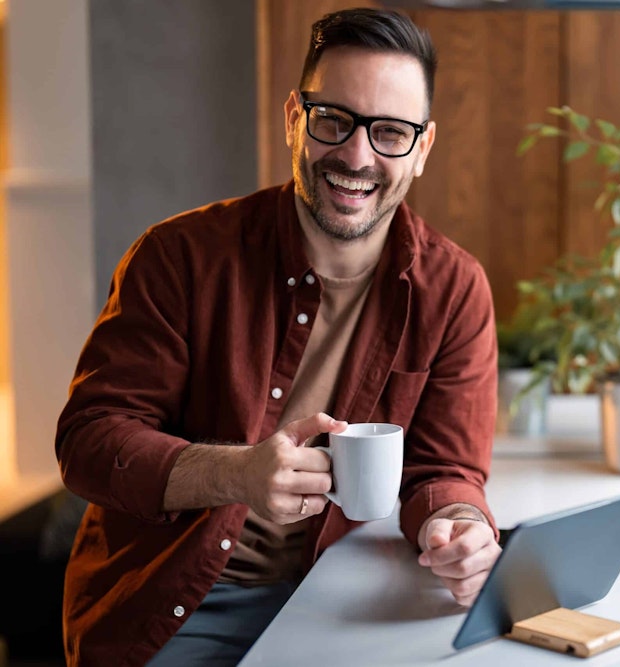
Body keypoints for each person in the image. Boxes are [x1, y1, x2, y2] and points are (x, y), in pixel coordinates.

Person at [55, 8, 502, 666]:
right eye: (333, 120)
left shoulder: (455, 288)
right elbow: (89, 440)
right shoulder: (178, 256)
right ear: (295, 117)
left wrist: (459, 526)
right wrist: (236, 473)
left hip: (339, 593)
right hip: (176, 603)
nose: (356, 155)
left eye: (389, 133)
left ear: (423, 149)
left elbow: (446, 470)